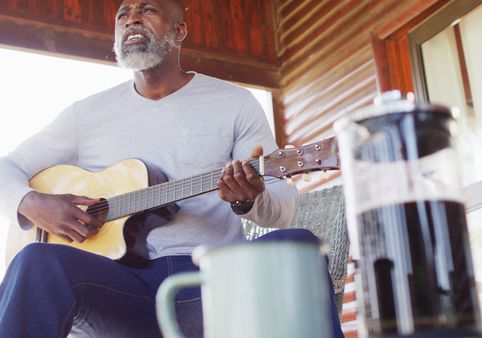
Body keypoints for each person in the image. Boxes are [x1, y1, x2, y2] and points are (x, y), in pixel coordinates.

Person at [0, 0, 344, 337]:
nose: (131, 18)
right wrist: (33, 203)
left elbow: (281, 209)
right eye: (123, 14)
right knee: (37, 260)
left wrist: (248, 200)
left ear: (179, 31)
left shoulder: (233, 103)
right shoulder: (85, 115)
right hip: (118, 291)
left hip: (208, 285)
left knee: (298, 245)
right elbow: (7, 168)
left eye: (147, 10)